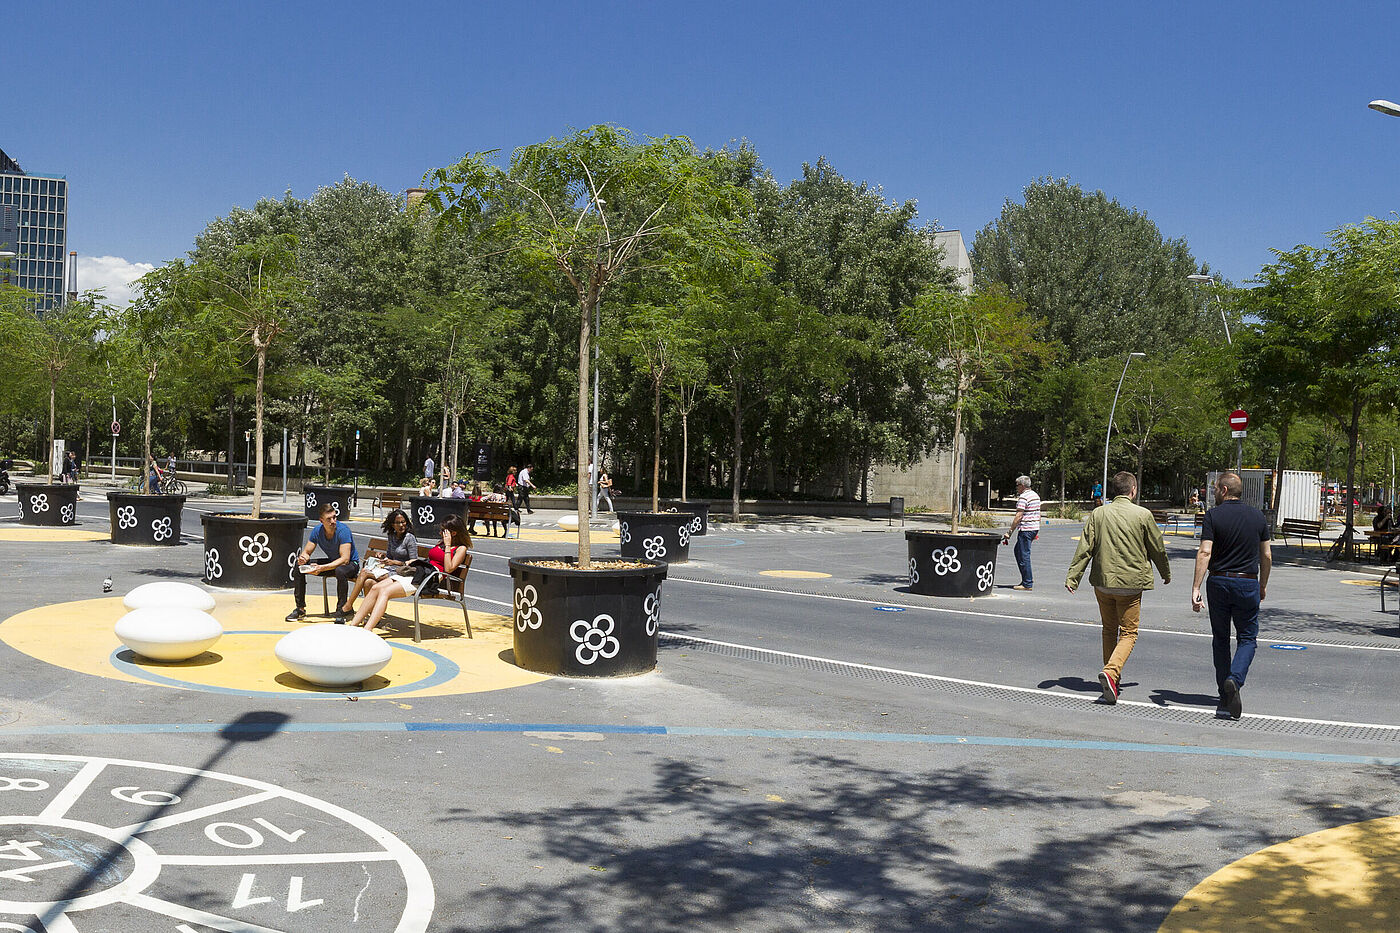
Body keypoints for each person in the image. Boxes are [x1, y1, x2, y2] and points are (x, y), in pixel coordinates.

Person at [1065, 470, 1172, 704]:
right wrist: (1165, 572)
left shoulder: (1098, 513)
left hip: (1103, 583)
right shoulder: (1143, 515)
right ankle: (1112, 673)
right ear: (1133, 490)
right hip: (1131, 584)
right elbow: (1157, 547)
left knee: (1108, 629)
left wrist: (1073, 577)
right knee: (1129, 632)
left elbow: (1085, 548)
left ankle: (1114, 679)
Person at [1191, 471, 1272, 720]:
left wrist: (1196, 587)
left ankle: (1224, 694)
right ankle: (1234, 679)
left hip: (1219, 582)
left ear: (1224, 491)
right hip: (1247, 582)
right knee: (1247, 638)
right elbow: (1267, 556)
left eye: (1215, 489)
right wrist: (1263, 585)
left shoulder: (1213, 516)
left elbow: (1205, 552)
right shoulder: (1257, 516)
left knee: (1221, 639)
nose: (1213, 493)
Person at [351, 515, 470, 634]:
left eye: (443, 530)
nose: (440, 533)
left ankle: (368, 629)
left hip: (429, 578)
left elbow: (448, 569)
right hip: (419, 570)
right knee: (376, 588)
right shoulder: (441, 543)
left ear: (453, 533)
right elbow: (430, 559)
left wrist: (448, 545)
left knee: (384, 592)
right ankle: (353, 625)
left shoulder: (460, 549)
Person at [287, 502, 361, 624]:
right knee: (299, 567)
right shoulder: (317, 531)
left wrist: (322, 568)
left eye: (334, 517)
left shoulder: (343, 531)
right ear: (321, 521)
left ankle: (342, 610)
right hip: (333, 563)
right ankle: (300, 608)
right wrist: (303, 559)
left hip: (351, 565)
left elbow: (345, 559)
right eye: (329, 519)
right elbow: (307, 552)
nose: (333, 521)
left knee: (340, 570)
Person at [343, 509, 419, 617]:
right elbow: (390, 556)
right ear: (392, 524)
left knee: (365, 572)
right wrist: (383, 556)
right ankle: (373, 615)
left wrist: (395, 562)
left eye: (403, 522)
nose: (401, 525)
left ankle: (348, 605)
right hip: (389, 569)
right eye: (398, 523)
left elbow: (414, 562)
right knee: (369, 582)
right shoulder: (392, 536)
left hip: (402, 573)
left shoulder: (409, 538)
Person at [1000, 475, 1041, 590]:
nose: (1016, 488)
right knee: (1019, 551)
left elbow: (1019, 516)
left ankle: (1027, 583)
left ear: (1022, 486)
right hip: (1033, 528)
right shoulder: (1035, 495)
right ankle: (1026, 579)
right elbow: (1038, 513)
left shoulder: (1023, 497)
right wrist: (1036, 529)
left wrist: (1010, 532)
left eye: (1017, 485)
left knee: (1023, 555)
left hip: (1026, 529)